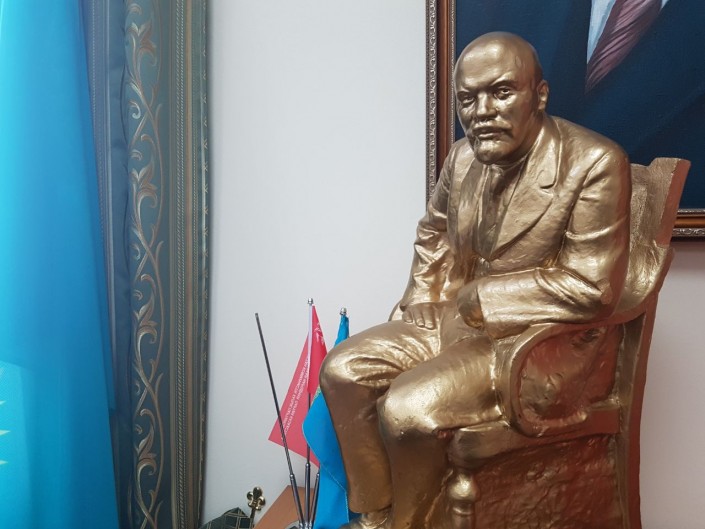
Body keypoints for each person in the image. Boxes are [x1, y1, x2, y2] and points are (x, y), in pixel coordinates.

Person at [320, 32, 630, 529]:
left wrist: (485, 297)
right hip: (454, 323)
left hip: (534, 345)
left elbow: (593, 287)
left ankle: (411, 524)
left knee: (407, 410)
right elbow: (434, 231)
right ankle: (374, 516)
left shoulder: (595, 163)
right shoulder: (463, 157)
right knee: (343, 371)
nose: (481, 111)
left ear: (540, 95)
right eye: (468, 98)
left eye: (501, 92)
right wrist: (424, 292)